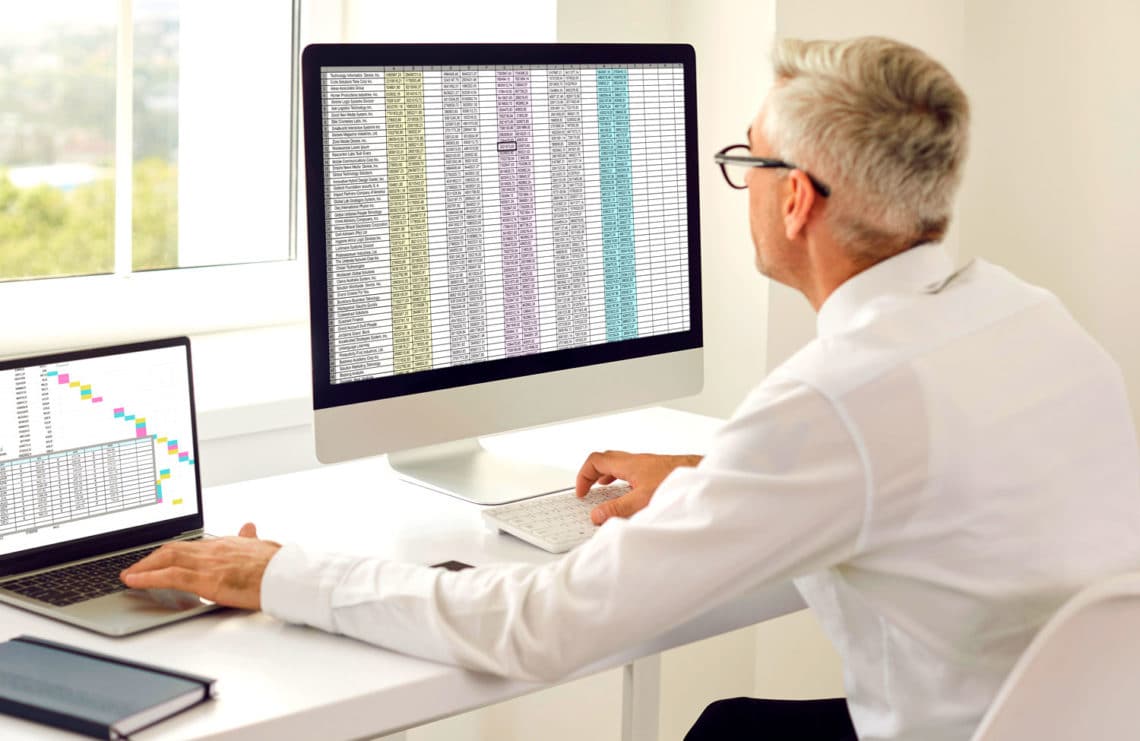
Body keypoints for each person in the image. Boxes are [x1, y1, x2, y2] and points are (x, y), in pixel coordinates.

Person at [122, 36, 1140, 740]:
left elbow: (544, 627)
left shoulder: (839, 397)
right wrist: (719, 475)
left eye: (747, 161)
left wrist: (283, 575)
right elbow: (932, 487)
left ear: (795, 200)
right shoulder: (1026, 316)